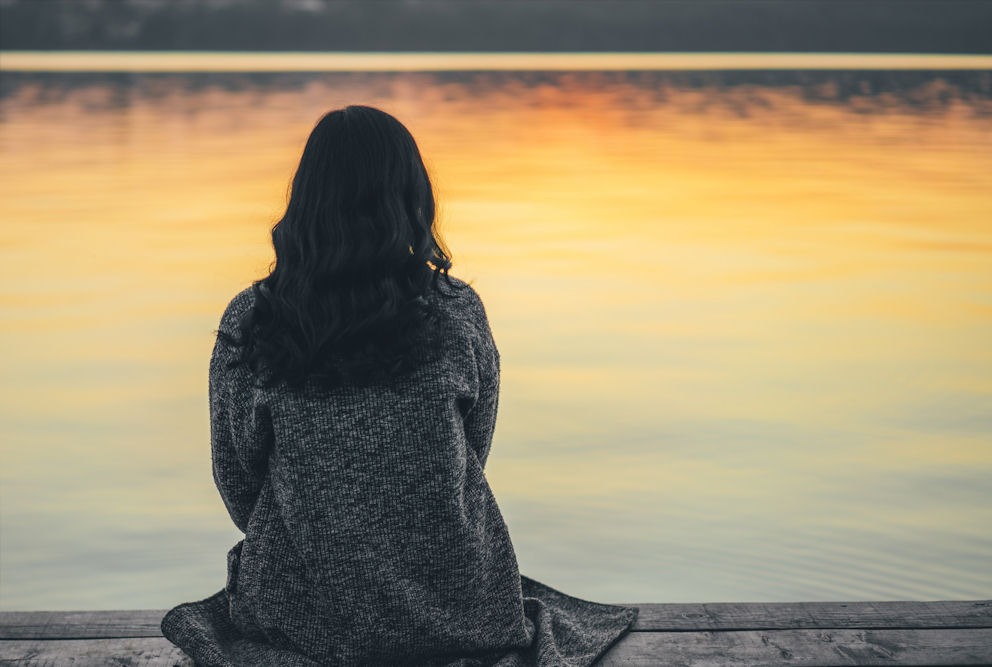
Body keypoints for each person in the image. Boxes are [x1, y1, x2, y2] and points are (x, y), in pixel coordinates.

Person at [161, 105, 637, 666]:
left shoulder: (254, 320)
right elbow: (472, 452)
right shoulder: (456, 310)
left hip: (306, 616)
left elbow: (237, 479)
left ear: (307, 201)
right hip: (459, 608)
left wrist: (328, 532)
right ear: (411, 197)